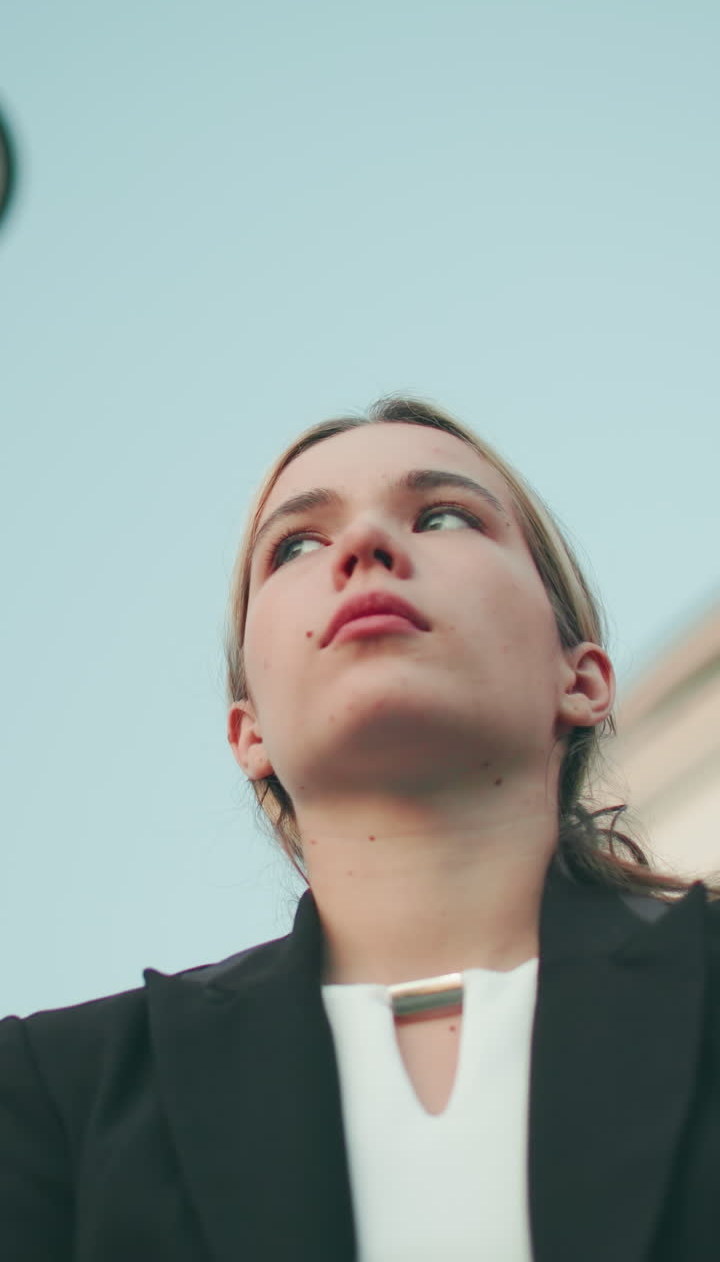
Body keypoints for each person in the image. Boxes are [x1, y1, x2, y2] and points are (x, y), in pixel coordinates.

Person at [1, 395, 719, 1262]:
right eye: (296, 545)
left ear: (584, 679)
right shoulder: (50, 1098)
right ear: (248, 731)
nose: (362, 548)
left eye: (444, 516)